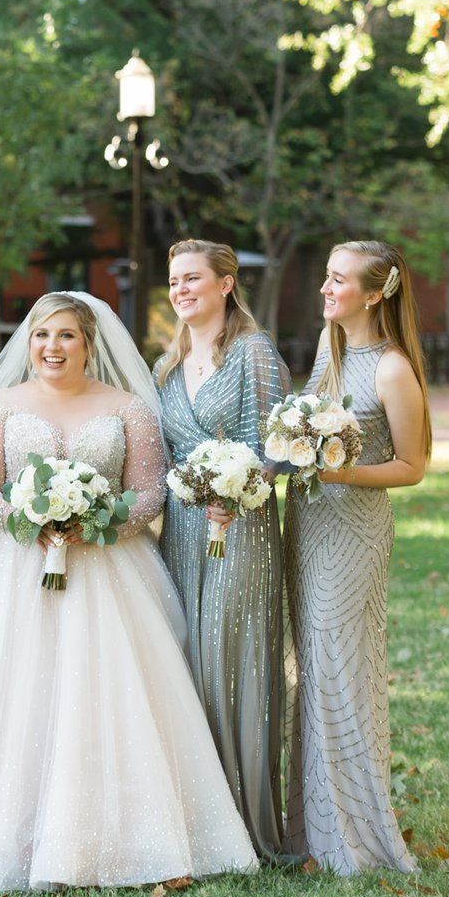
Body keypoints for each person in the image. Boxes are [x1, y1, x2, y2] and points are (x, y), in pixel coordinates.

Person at [0, 291, 259, 890]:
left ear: (88, 345)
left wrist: (97, 522)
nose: (52, 347)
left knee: (107, 700)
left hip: (108, 569)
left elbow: (150, 492)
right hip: (10, 569)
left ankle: (106, 838)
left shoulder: (128, 409)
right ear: (29, 342)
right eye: (42, 335)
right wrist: (31, 522)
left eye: (66, 336)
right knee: (5, 700)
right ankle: (5, 835)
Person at [284, 240, 431, 874]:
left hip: (355, 530)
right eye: (326, 276)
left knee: (339, 666)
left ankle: (358, 838)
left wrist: (341, 475)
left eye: (337, 280)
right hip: (309, 524)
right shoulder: (330, 348)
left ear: (374, 294)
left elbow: (413, 466)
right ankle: (314, 828)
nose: (324, 288)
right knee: (312, 666)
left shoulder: (393, 368)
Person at [154, 240, 291, 860]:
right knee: (187, 657)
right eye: (175, 281)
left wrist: (240, 489)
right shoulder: (167, 366)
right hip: (182, 532)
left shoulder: (253, 353)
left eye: (193, 280)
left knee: (231, 657)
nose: (181, 290)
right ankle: (197, 823)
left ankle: (245, 821)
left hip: (242, 528)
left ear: (226, 285)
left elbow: (277, 444)